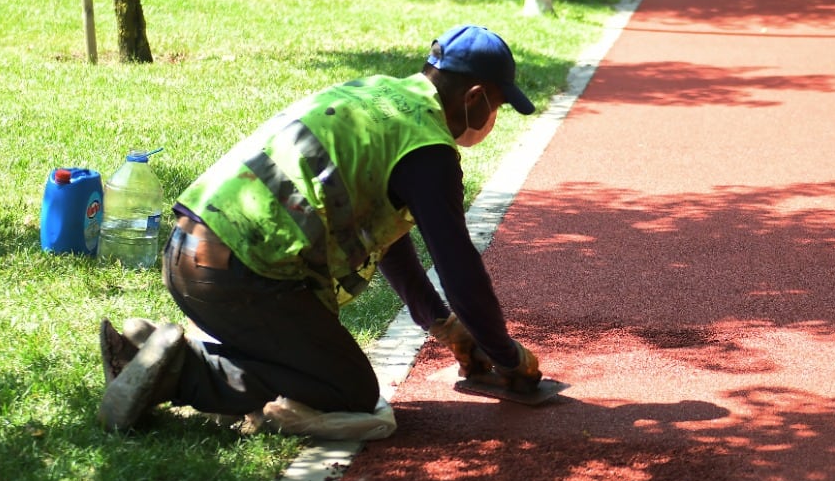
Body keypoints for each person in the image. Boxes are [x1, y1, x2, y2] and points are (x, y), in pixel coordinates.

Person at [99, 24, 545, 440]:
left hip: (188, 254)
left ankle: (148, 349)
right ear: (474, 98)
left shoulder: (376, 94)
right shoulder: (428, 148)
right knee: (346, 390)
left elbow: (389, 244)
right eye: (498, 105)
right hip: (244, 274)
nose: (494, 117)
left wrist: (444, 325)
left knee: (313, 364)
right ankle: (180, 369)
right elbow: (459, 267)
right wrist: (507, 356)